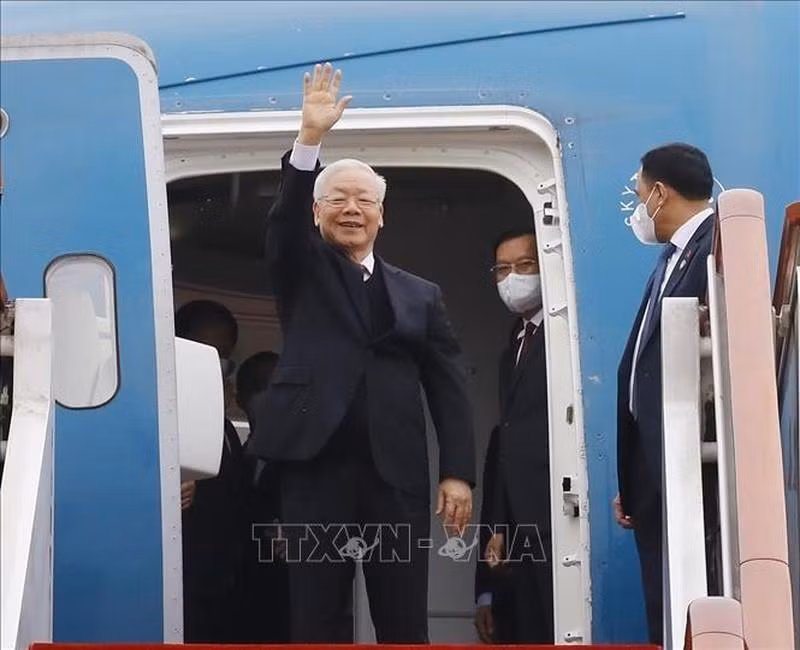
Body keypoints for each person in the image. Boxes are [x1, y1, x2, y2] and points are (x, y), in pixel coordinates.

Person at [248, 63, 476, 643]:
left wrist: (457, 473)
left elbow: (449, 387)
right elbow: (282, 225)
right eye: (338, 199)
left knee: (402, 617)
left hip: (394, 474)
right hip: (314, 467)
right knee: (316, 616)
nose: (352, 209)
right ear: (318, 212)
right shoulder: (302, 268)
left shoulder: (420, 295)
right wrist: (309, 141)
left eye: (364, 201)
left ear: (382, 214)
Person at [614, 143, 715, 644]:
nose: (638, 207)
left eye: (638, 194)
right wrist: (634, 475)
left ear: (659, 193)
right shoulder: (670, 260)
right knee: (664, 610)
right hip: (657, 471)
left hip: (694, 473)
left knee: (692, 610)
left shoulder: (717, 247)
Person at [474, 228, 553, 643]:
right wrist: (500, 527)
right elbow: (506, 447)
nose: (513, 278)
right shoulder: (515, 346)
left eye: (525, 266)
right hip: (519, 529)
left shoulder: (560, 338)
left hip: (555, 520)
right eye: (503, 269)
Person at [175, 299, 248, 643]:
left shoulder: (228, 427)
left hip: (225, 580)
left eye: (224, 357)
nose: (216, 365)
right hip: (186, 580)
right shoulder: (163, 413)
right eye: (206, 352)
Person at [235, 351, 291, 643]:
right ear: (240, 399)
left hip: (292, 606)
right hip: (233, 606)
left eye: (278, 387)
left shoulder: (312, 463)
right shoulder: (228, 459)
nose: (270, 398)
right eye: (260, 387)